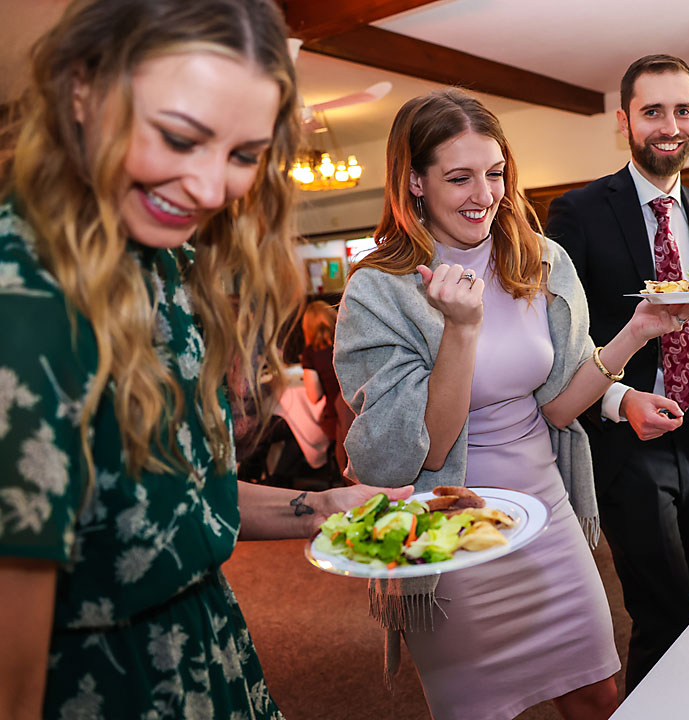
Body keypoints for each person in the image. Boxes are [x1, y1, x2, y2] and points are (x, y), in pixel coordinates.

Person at [0, 2, 409, 718]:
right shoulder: (24, 298)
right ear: (81, 91)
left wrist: (331, 507)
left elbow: (181, 501)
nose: (213, 188)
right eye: (179, 138)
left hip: (210, 661)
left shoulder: (165, 262)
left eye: (244, 155)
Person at [335, 89, 689, 720]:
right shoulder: (379, 289)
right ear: (414, 182)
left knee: (597, 695)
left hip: (546, 514)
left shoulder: (540, 259)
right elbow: (415, 449)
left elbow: (560, 407)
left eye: (495, 173)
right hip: (450, 533)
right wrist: (460, 329)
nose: (485, 194)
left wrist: (641, 329)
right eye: (459, 178)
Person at [543, 54, 689, 691]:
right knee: (668, 609)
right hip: (623, 441)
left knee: (664, 614)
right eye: (653, 112)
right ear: (624, 122)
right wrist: (619, 399)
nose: (670, 125)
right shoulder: (578, 213)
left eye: (683, 110)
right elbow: (563, 341)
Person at [301, 300, 354, 480]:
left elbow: (314, 396)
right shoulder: (348, 342)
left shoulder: (310, 353)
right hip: (358, 411)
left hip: (337, 419)